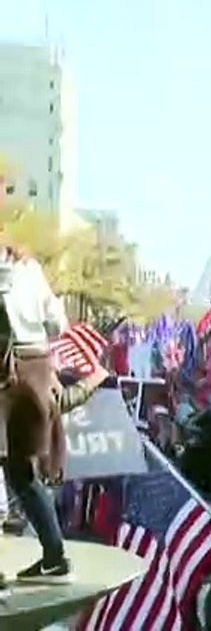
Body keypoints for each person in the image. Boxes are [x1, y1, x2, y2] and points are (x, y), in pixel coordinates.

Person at [0, 244, 73, 584]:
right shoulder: (28, 265)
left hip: (9, 370)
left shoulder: (17, 265)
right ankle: (54, 555)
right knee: (21, 471)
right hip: (36, 367)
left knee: (19, 470)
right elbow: (58, 322)